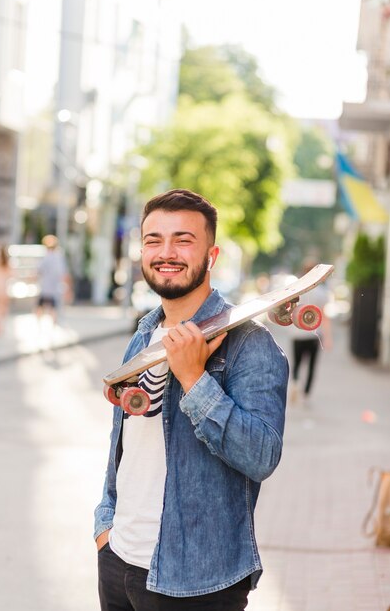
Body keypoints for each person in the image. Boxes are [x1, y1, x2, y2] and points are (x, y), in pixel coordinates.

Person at [94, 189, 289, 611]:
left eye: (183, 240)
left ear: (211, 255)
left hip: (198, 581)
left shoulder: (249, 345)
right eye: (153, 240)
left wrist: (194, 378)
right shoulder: (144, 333)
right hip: (118, 560)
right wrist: (105, 525)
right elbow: (124, 448)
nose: (166, 252)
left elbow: (262, 456)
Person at [289, 258, 333, 405]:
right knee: (311, 366)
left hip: (297, 334)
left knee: (297, 363)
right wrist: (327, 338)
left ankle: (294, 383)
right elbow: (324, 316)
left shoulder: (296, 289)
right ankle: (306, 394)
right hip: (314, 335)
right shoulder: (321, 291)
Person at [36, 234, 72, 324]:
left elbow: (38, 271)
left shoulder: (46, 257)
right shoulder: (59, 258)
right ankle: (52, 327)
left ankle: (40, 326)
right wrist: (69, 288)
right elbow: (63, 274)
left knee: (40, 308)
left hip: (45, 288)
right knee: (53, 309)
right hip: (54, 289)